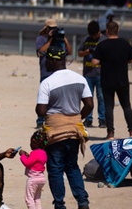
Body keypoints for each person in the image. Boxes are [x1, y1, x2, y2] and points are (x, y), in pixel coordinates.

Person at [36, 46, 93, 209]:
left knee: (55, 169)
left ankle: (59, 205)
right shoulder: (79, 79)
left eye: (47, 59)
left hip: (55, 133)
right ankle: (83, 202)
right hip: (74, 131)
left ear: (54, 60)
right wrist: (76, 119)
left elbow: (41, 111)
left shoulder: (47, 82)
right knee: (72, 166)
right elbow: (89, 104)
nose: (45, 62)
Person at [91, 20, 132, 140]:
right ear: (118, 31)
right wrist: (123, 60)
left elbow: (94, 62)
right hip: (122, 79)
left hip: (107, 80)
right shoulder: (124, 44)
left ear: (107, 31)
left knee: (108, 106)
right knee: (126, 105)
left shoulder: (102, 45)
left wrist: (104, 61)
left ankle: (110, 133)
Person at [35, 19, 70, 127]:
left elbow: (69, 51)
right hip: (46, 72)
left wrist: (65, 40)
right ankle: (41, 121)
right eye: (51, 28)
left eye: (54, 28)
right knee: (43, 98)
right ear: (46, 28)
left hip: (59, 73)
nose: (53, 30)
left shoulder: (59, 40)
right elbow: (41, 52)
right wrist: (49, 40)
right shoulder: (41, 39)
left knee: (58, 98)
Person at [77, 21, 106, 129]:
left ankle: (102, 119)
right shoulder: (86, 39)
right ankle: (88, 119)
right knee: (88, 98)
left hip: (101, 73)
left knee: (101, 97)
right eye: (92, 35)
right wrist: (86, 52)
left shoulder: (104, 40)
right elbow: (79, 53)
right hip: (88, 74)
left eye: (95, 35)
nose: (94, 37)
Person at [19, 130, 49, 209]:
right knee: (37, 199)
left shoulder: (35, 152)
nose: (30, 144)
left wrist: (22, 155)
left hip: (33, 179)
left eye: (31, 142)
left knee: (29, 199)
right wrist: (28, 156)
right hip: (41, 178)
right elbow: (35, 162)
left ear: (35, 142)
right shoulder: (44, 153)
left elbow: (27, 163)